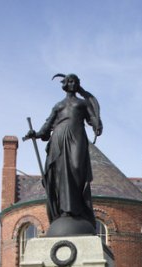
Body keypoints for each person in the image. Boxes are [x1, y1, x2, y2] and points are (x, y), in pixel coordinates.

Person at [25, 73, 102, 231]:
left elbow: (92, 117)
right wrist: (36, 134)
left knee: (76, 168)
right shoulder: (58, 106)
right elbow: (47, 126)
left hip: (77, 137)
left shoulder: (81, 103)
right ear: (65, 84)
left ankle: (79, 209)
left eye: (75, 82)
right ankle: (65, 210)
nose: (72, 84)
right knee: (60, 173)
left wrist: (97, 124)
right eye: (70, 81)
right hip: (59, 139)